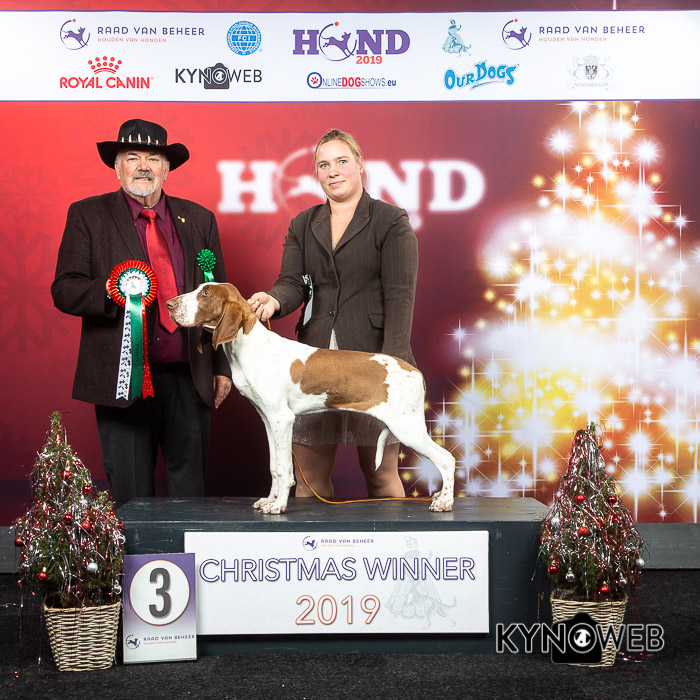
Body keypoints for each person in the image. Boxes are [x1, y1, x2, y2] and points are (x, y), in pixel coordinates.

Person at [52, 118, 232, 508]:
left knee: (191, 497)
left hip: (190, 376)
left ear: (167, 169)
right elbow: (64, 289)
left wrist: (222, 367)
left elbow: (219, 301)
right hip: (122, 382)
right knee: (131, 498)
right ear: (117, 168)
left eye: (153, 158)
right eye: (132, 157)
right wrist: (108, 289)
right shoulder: (87, 214)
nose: (143, 166)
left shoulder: (199, 219)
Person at [248, 129, 418, 499]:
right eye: (324, 165)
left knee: (381, 477)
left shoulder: (390, 220)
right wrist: (273, 301)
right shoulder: (302, 223)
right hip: (314, 368)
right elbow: (292, 282)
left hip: (373, 364)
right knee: (308, 481)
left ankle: (395, 539)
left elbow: (400, 298)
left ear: (360, 165)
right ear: (316, 173)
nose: (333, 170)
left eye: (342, 161)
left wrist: (394, 366)